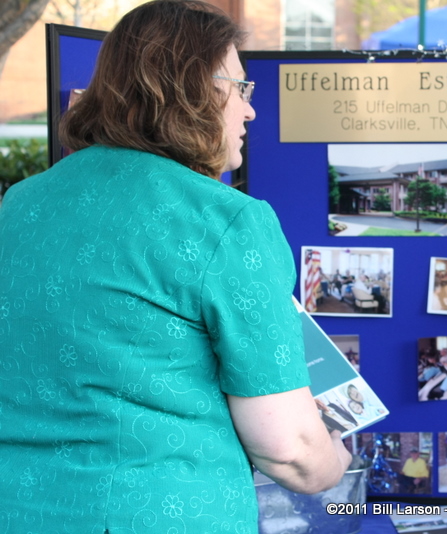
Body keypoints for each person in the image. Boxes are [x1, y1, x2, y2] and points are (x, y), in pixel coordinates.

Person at [0, 2, 351, 532]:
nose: (250, 111)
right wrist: (334, 462)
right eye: (241, 89)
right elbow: (291, 449)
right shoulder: (226, 220)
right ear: (194, 90)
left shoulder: (22, 203)